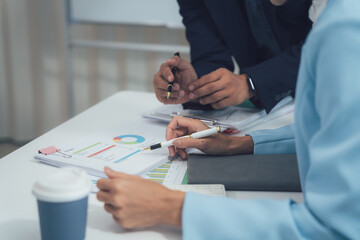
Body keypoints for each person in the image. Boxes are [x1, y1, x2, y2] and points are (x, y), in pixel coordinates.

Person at [97, 0, 360, 238]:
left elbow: (335, 230)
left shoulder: (344, 29)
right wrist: (237, 143)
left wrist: (171, 208)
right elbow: (330, 131)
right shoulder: (337, 21)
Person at [153, 0, 312, 112]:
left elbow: (325, 47)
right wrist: (195, 84)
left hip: (325, 96)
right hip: (264, 114)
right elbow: (210, 54)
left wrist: (251, 83)